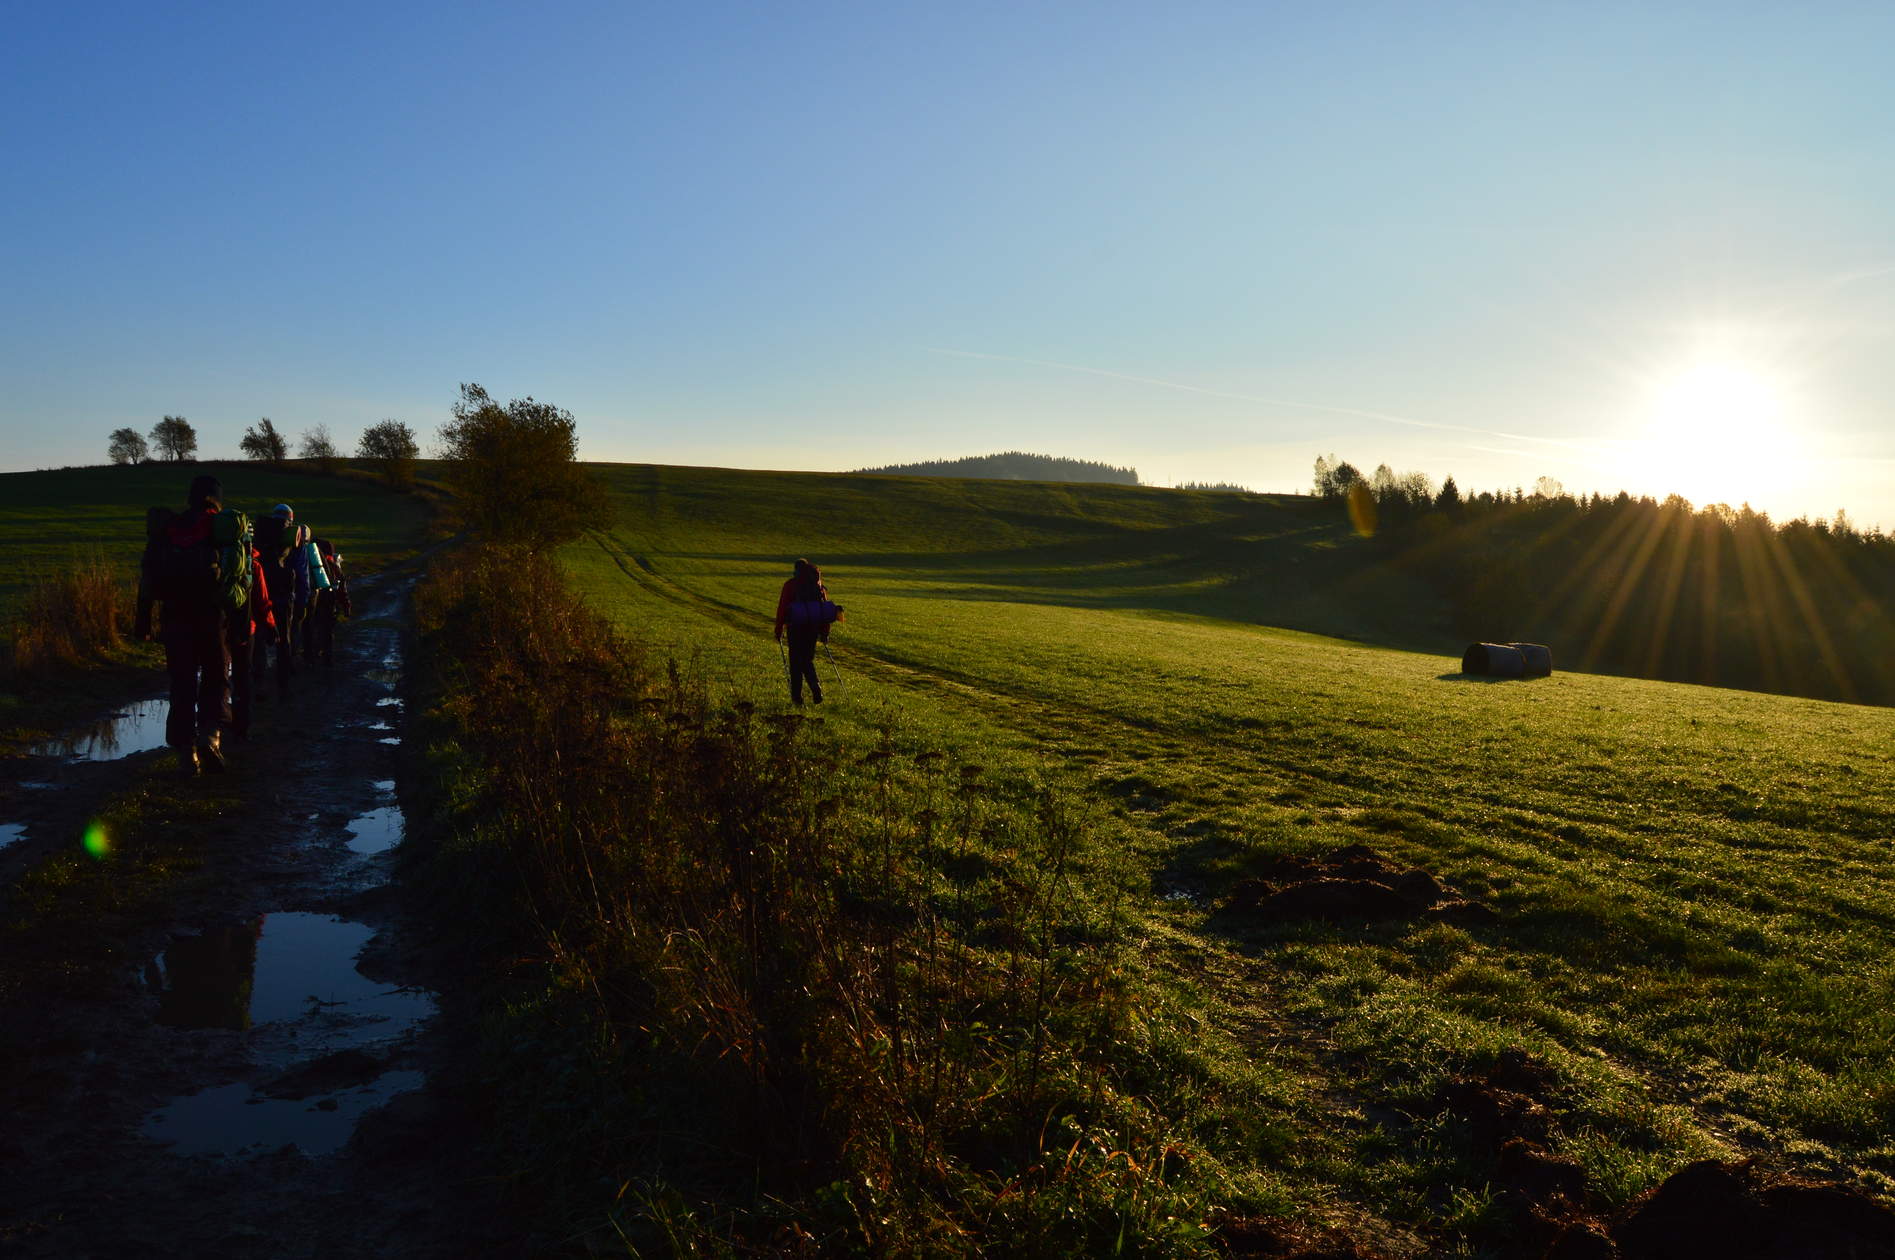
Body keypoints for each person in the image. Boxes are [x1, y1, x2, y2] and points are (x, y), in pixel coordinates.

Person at [137, 474, 232, 775]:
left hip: (175, 615)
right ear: (217, 498)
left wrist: (143, 621)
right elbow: (240, 579)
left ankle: (186, 752)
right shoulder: (223, 528)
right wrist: (242, 624)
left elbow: (147, 577)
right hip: (212, 616)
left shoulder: (168, 528)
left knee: (182, 681)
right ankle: (210, 736)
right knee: (216, 676)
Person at [225, 542, 276, 740]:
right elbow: (262, 600)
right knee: (242, 675)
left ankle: (214, 725)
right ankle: (242, 725)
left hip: (217, 626)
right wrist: (270, 625)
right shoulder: (252, 564)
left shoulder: (216, 556)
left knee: (217, 675)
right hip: (246, 628)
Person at [251, 504, 303, 698]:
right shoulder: (290, 535)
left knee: (259, 638)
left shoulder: (260, 531)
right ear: (290, 519)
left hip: (260, 589)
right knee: (283, 638)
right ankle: (283, 681)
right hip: (282, 592)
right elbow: (298, 567)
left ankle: (259, 681)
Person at [773, 558, 831, 705]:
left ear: (796, 570)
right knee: (807, 660)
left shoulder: (791, 585)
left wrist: (779, 629)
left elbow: (782, 608)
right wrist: (825, 633)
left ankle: (797, 699)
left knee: (795, 663)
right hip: (812, 628)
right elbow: (823, 610)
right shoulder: (818, 586)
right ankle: (815, 685)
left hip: (795, 627)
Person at [302, 535, 348, 666]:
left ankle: (310, 656)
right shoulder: (332, 564)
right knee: (327, 630)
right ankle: (327, 657)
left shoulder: (308, 560)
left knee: (311, 627)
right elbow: (342, 585)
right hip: (329, 600)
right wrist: (346, 605)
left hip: (313, 598)